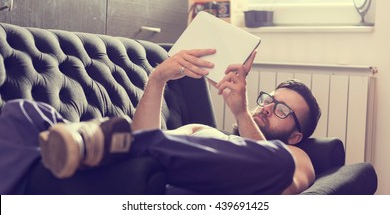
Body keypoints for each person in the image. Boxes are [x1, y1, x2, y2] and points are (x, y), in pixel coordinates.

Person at [0, 48, 321, 195]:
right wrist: (158, 79)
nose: (267, 108)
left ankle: (92, 141)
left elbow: (283, 191)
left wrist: (241, 112)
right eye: (269, 100)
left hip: (168, 185)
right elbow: (145, 143)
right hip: (112, 170)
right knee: (22, 113)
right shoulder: (203, 131)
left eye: (282, 110)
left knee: (275, 162)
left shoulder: (298, 156)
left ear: (296, 135)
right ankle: (76, 151)